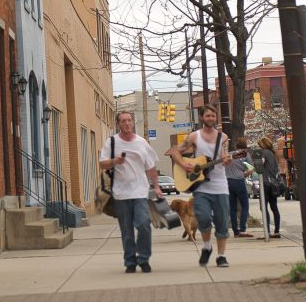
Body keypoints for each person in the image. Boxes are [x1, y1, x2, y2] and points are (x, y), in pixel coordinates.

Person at [166, 105, 232, 268]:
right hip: (201, 187)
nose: (211, 118)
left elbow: (224, 154)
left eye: (213, 116)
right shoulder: (194, 137)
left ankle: (221, 256)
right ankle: (207, 246)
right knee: (203, 218)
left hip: (220, 185)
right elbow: (174, 151)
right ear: (202, 118)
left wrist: (227, 160)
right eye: (208, 116)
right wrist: (184, 164)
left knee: (222, 222)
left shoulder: (223, 137)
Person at [99, 111, 163, 273]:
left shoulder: (141, 143)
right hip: (120, 193)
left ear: (132, 123)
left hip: (140, 191)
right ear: (118, 124)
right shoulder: (111, 142)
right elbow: (102, 164)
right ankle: (130, 262)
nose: (127, 123)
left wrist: (156, 186)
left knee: (143, 224)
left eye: (129, 120)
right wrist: (115, 161)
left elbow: (151, 167)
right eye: (123, 121)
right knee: (126, 230)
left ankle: (144, 259)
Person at [226, 137, 253, 238]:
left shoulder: (230, 154)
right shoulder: (245, 154)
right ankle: (242, 229)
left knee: (232, 208)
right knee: (245, 205)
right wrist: (244, 174)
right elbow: (250, 169)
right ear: (245, 146)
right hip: (239, 181)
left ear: (236, 145)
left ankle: (235, 231)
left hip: (228, 182)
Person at [258, 136, 282, 237]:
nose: (259, 147)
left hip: (265, 183)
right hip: (274, 183)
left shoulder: (264, 152)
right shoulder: (274, 153)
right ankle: (276, 231)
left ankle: (267, 231)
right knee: (274, 207)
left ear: (263, 145)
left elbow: (260, 165)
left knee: (263, 207)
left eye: (260, 145)